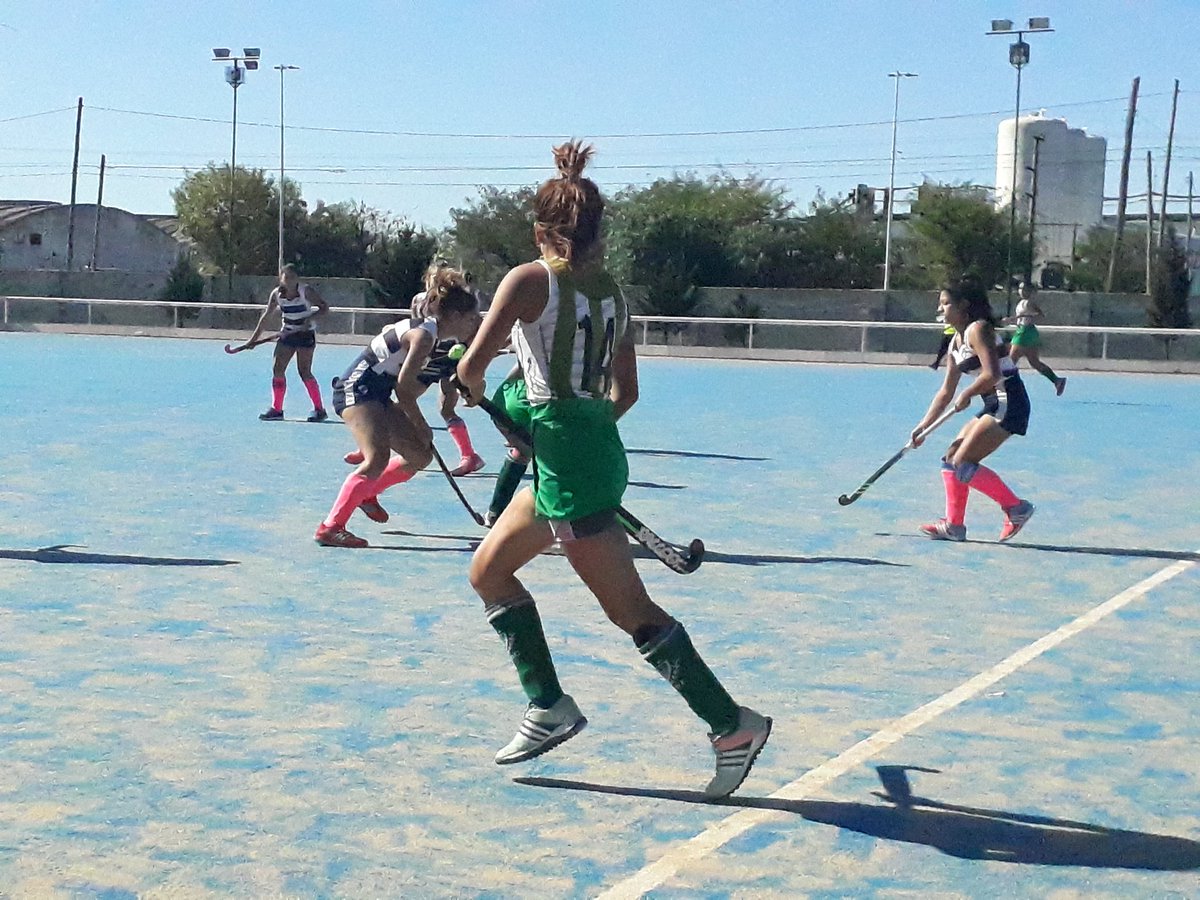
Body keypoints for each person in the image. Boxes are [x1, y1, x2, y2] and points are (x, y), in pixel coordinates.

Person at [454, 141, 770, 799]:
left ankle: (730, 725)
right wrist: (572, 432)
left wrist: (495, 402)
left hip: (567, 462)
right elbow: (626, 394)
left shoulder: (528, 280)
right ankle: (548, 705)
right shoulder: (615, 295)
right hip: (587, 449)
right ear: (600, 234)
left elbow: (471, 369)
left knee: (630, 611)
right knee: (488, 571)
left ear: (540, 232)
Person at [314, 266, 481, 548]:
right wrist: (421, 424)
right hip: (357, 390)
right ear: (454, 316)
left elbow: (407, 386)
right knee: (377, 458)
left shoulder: (433, 336)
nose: (475, 323)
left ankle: (367, 492)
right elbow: (404, 389)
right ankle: (330, 527)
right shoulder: (424, 337)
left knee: (420, 456)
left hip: (377, 394)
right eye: (472, 318)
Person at [912, 276, 1036, 543]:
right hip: (994, 403)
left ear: (963, 305)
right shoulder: (955, 342)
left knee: (963, 463)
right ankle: (954, 526)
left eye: (946, 303)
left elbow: (992, 374)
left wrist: (968, 394)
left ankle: (1016, 508)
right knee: (951, 458)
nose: (940, 309)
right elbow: (946, 392)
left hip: (1009, 401)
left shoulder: (978, 330)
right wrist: (923, 427)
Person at [245, 264, 330, 422]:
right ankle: (277, 409)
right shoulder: (276, 295)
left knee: (304, 371)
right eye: (286, 277)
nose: (289, 280)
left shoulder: (306, 291)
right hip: (287, 333)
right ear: (281, 278)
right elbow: (266, 316)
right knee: (277, 368)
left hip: (305, 334)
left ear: (297, 278)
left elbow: (324, 308)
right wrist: (253, 340)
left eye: (292, 277)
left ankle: (319, 409)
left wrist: (309, 319)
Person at [1004, 281, 1067, 395]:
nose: (1022, 291)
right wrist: (1014, 320)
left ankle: (1005, 387)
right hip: (1027, 332)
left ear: (1030, 291)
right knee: (1034, 362)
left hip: (1024, 332)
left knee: (1010, 361)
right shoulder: (1021, 303)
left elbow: (1040, 315)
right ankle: (1056, 380)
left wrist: (1020, 317)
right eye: (1020, 288)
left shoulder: (1029, 303)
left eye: (1024, 289)